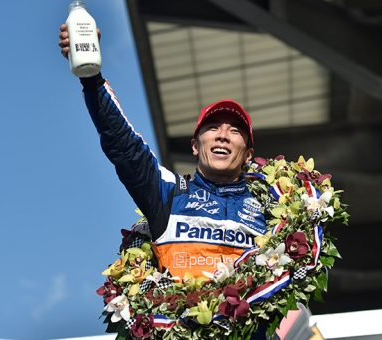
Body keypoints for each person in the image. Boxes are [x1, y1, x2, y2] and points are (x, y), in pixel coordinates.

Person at [58, 24, 267, 280]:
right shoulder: (169, 191)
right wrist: (91, 75)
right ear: (194, 146)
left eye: (235, 131)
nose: (222, 134)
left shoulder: (270, 205)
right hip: (180, 318)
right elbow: (125, 146)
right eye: (212, 127)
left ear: (248, 155)